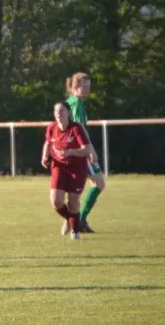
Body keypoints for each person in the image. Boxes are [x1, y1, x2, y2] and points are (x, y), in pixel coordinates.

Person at [41, 101, 94, 240]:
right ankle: (73, 221)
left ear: (68, 112)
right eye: (56, 111)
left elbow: (87, 149)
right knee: (56, 201)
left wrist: (70, 152)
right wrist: (44, 156)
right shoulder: (51, 128)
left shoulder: (76, 128)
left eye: (62, 110)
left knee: (73, 201)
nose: (58, 113)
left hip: (77, 168)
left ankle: (75, 233)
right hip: (59, 166)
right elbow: (48, 143)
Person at [65, 72, 106, 233]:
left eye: (89, 86)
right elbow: (80, 128)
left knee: (89, 185)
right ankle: (78, 219)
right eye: (84, 86)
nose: (88, 89)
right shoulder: (76, 103)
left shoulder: (71, 102)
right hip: (81, 150)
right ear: (75, 87)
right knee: (99, 184)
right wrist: (90, 150)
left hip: (74, 150)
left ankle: (77, 219)